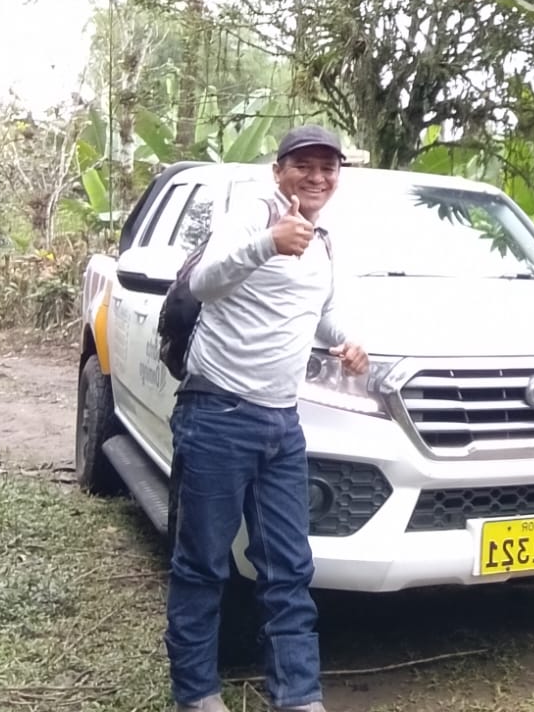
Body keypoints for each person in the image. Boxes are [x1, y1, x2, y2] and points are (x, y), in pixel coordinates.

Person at [167, 125, 366, 712]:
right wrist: (267, 243)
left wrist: (350, 339)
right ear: (279, 171)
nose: (317, 177)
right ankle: (197, 694)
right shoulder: (252, 216)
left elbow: (323, 312)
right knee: (203, 564)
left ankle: (298, 695)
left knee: (289, 568)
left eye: (328, 167)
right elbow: (203, 282)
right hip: (217, 415)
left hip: (283, 423)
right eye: (304, 165)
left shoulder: (323, 241)